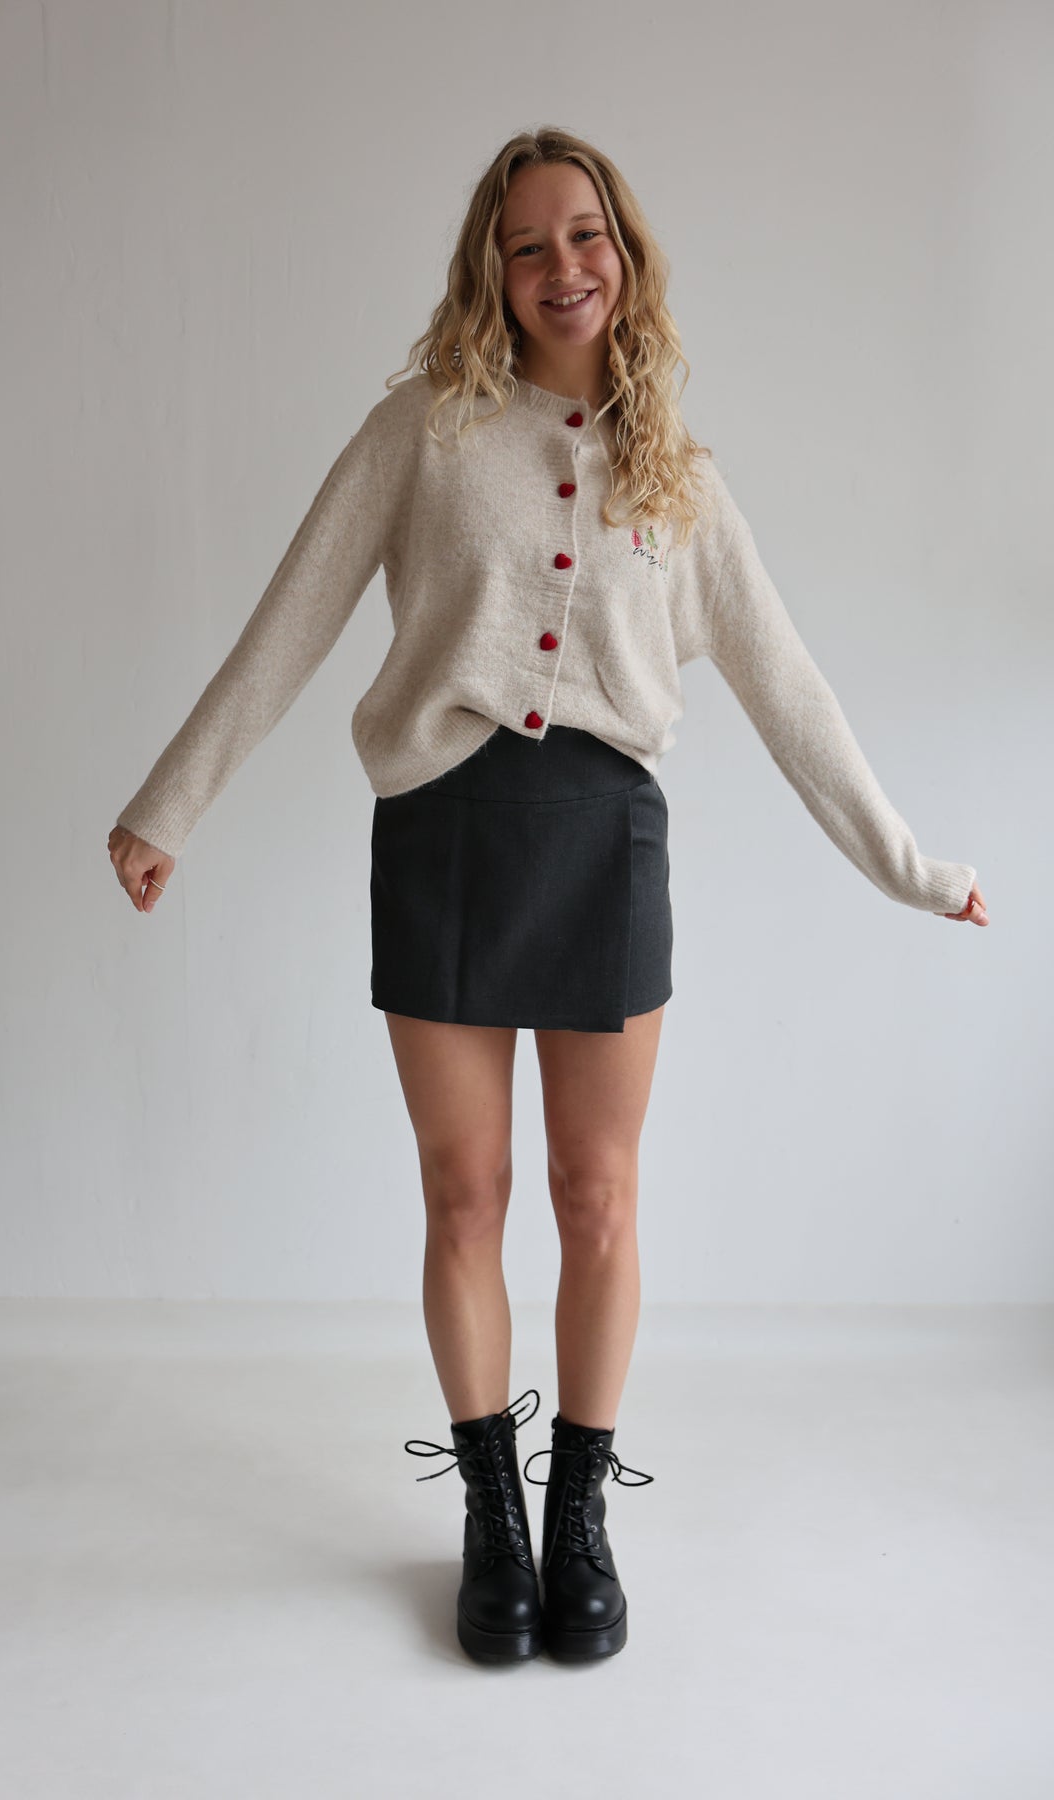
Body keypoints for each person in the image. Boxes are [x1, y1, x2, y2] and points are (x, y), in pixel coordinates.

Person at [108, 127, 988, 1668]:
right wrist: (167, 805)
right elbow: (291, 618)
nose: (563, 266)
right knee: (467, 1195)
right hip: (443, 839)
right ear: (492, 271)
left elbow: (792, 691)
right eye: (528, 244)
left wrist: (914, 869)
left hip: (605, 850)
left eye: (586, 235)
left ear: (624, 255)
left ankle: (579, 1515)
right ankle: (491, 1518)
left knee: (599, 1198)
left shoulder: (680, 478)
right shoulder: (422, 433)